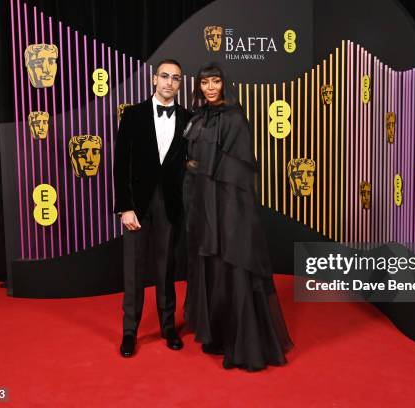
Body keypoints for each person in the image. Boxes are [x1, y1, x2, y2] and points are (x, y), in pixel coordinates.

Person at [182, 63, 293, 371]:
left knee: (232, 266)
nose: (210, 87)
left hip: (229, 208)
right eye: (205, 82)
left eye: (216, 81)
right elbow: (191, 160)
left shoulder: (234, 119)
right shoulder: (198, 118)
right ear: (199, 86)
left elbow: (240, 172)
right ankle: (216, 334)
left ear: (224, 84)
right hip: (203, 206)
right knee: (213, 268)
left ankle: (242, 343)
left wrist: (200, 171)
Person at [113, 59, 191, 357]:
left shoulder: (188, 118)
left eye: (176, 78)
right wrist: (124, 207)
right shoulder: (133, 115)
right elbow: (120, 164)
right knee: (133, 270)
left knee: (166, 268)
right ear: (153, 80)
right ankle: (129, 331)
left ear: (180, 84)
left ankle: (168, 326)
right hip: (137, 204)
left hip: (170, 204)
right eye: (165, 76)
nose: (170, 82)